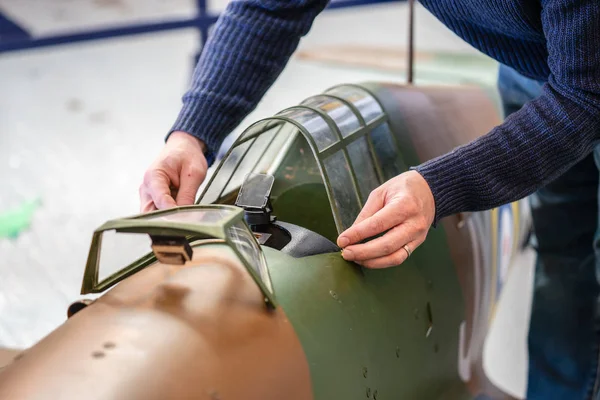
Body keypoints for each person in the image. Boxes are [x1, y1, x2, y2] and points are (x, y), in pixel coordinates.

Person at [138, 1, 600, 398]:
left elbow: (586, 93)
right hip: (543, 65)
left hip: (583, 84)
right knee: (563, 255)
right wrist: (192, 132)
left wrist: (440, 187)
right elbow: (272, 5)